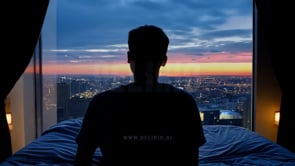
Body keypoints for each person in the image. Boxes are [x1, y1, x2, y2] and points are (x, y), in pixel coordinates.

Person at [75, 25, 206, 166]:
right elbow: (191, 159)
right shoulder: (184, 102)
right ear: (164, 61)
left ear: (129, 57)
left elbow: (83, 156)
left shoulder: (102, 102)